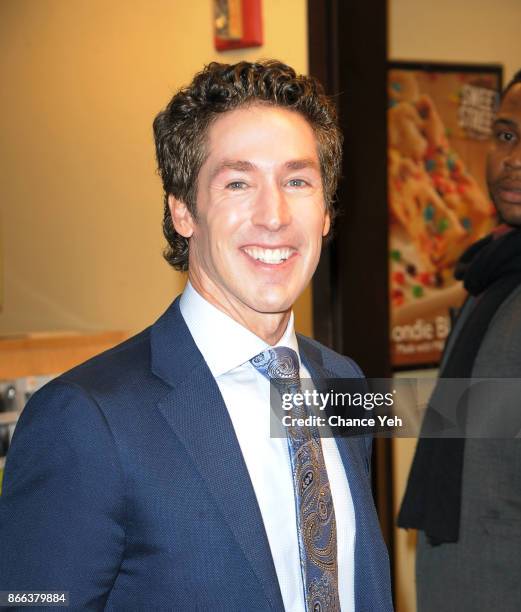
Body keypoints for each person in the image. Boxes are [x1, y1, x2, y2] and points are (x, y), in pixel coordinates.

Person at [0, 61, 392, 611]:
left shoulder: (342, 381)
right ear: (183, 211)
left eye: (297, 181)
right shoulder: (84, 419)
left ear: (326, 212)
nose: (274, 215)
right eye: (238, 182)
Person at [398, 69, 521, 611]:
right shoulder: (492, 272)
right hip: (463, 576)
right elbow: (463, 412)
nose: (513, 159)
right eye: (506, 135)